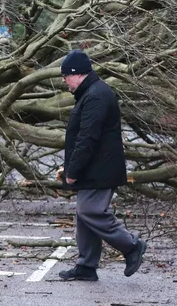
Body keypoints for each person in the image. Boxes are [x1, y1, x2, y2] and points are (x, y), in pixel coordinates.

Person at [55, 49, 146, 282]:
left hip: (100, 169)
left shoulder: (95, 95)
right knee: (83, 215)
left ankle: (132, 246)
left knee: (90, 211)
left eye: (65, 76)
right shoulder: (92, 93)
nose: (64, 82)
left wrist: (73, 171)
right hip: (95, 167)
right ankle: (86, 266)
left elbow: (88, 137)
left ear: (76, 74)